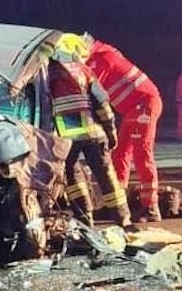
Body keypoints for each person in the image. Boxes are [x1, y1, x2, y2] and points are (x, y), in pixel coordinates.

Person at [49, 35, 132, 228]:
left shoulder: (48, 74)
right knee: (106, 175)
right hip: (94, 133)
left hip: (66, 138)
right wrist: (111, 133)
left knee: (73, 178)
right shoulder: (85, 71)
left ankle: (85, 222)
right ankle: (123, 219)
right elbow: (102, 103)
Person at [82, 32, 164, 222]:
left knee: (142, 153)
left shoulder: (101, 59)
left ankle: (150, 207)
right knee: (120, 153)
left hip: (144, 104)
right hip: (133, 108)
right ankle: (118, 204)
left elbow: (91, 91)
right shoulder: (102, 55)